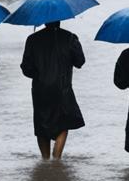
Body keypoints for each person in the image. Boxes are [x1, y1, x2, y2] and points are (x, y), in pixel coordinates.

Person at [21, 20, 86, 159]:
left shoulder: (32, 39)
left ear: (44, 21)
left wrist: (40, 74)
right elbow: (80, 61)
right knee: (63, 123)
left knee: (41, 124)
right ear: (60, 20)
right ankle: (56, 159)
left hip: (40, 89)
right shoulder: (69, 37)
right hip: (63, 88)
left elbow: (26, 68)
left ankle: (45, 160)